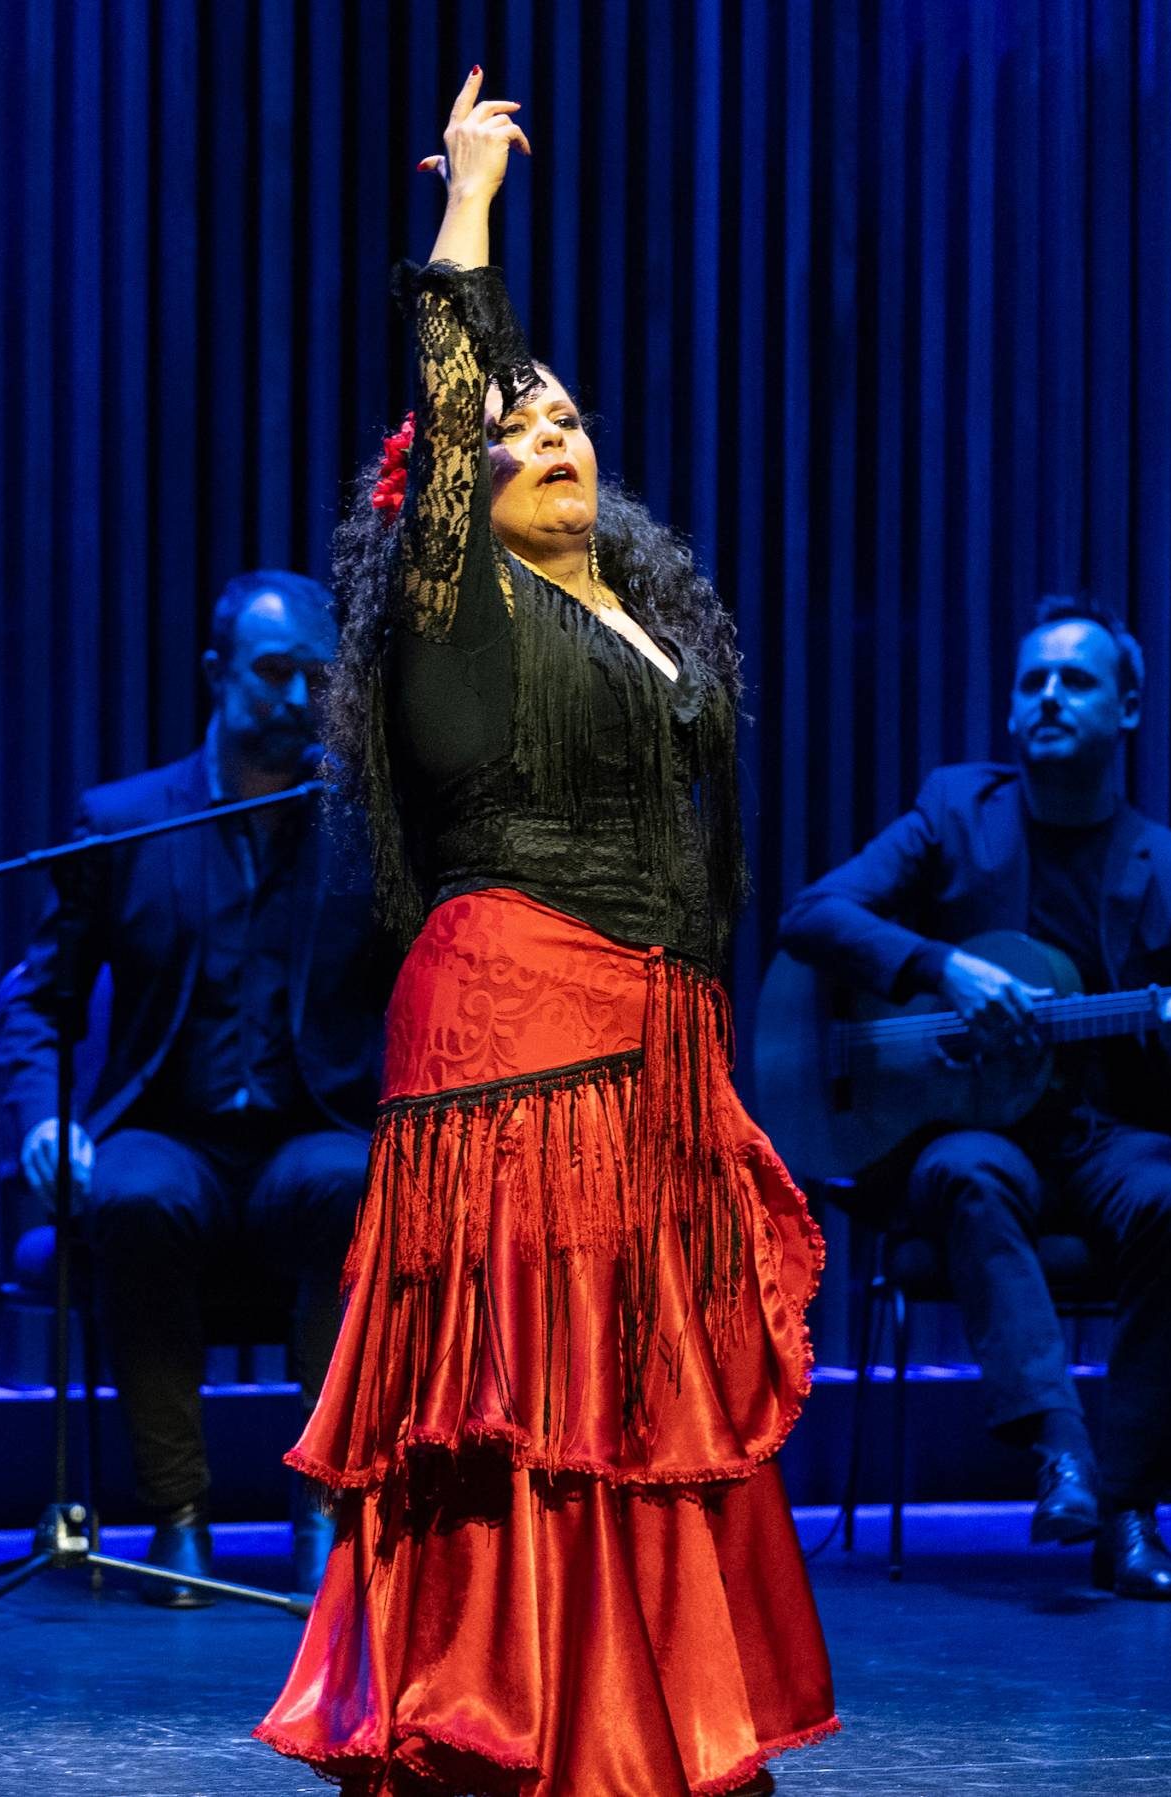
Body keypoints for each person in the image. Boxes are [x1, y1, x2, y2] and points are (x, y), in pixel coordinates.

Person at [258, 70, 836, 1797]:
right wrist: (472, 214)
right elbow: (450, 404)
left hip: (649, 1048)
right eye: (514, 429)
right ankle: (504, 1727)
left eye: (565, 413)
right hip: (519, 1040)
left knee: (637, 1403)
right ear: (443, 497)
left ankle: (639, 1725)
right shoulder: (460, 615)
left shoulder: (645, 628)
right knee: (537, 1399)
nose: (548, 431)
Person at [777, 595, 1171, 1600]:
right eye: (1031, 680)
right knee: (963, 1175)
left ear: (1126, 709)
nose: (1047, 697)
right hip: (965, 1127)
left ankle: (1125, 1511)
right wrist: (941, 968)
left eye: (1075, 681)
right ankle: (1061, 1454)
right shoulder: (954, 812)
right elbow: (814, 913)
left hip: (1108, 1135)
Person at [0, 571, 389, 1603]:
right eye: (273, 676)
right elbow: (37, 1003)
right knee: (128, 1193)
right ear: (215, 675)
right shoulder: (124, 821)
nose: (301, 702)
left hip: (313, 1129)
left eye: (319, 676)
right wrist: (44, 1121)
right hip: (169, 1133)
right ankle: (177, 1516)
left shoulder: (364, 827)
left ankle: (325, 1509)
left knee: (350, 1184)